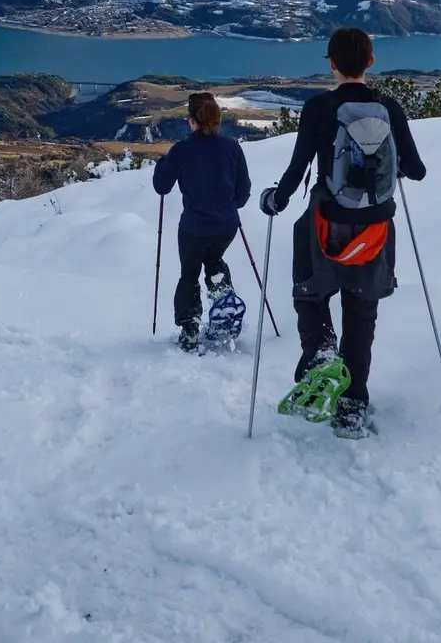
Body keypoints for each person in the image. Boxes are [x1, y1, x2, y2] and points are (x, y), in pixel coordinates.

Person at [259, 27, 426, 436]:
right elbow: (418, 170)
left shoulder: (319, 108)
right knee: (362, 315)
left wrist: (274, 201)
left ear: (332, 64)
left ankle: (320, 354)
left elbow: (298, 168)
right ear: (370, 62)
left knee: (310, 294)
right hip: (375, 231)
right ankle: (352, 406)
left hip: (325, 227)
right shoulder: (389, 108)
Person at [152, 92, 253, 352]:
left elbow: (162, 187)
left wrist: (162, 165)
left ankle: (190, 327)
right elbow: (243, 194)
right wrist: (226, 205)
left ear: (191, 120)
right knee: (214, 260)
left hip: (193, 229)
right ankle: (222, 298)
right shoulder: (232, 148)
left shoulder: (182, 151)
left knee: (189, 275)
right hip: (226, 226)